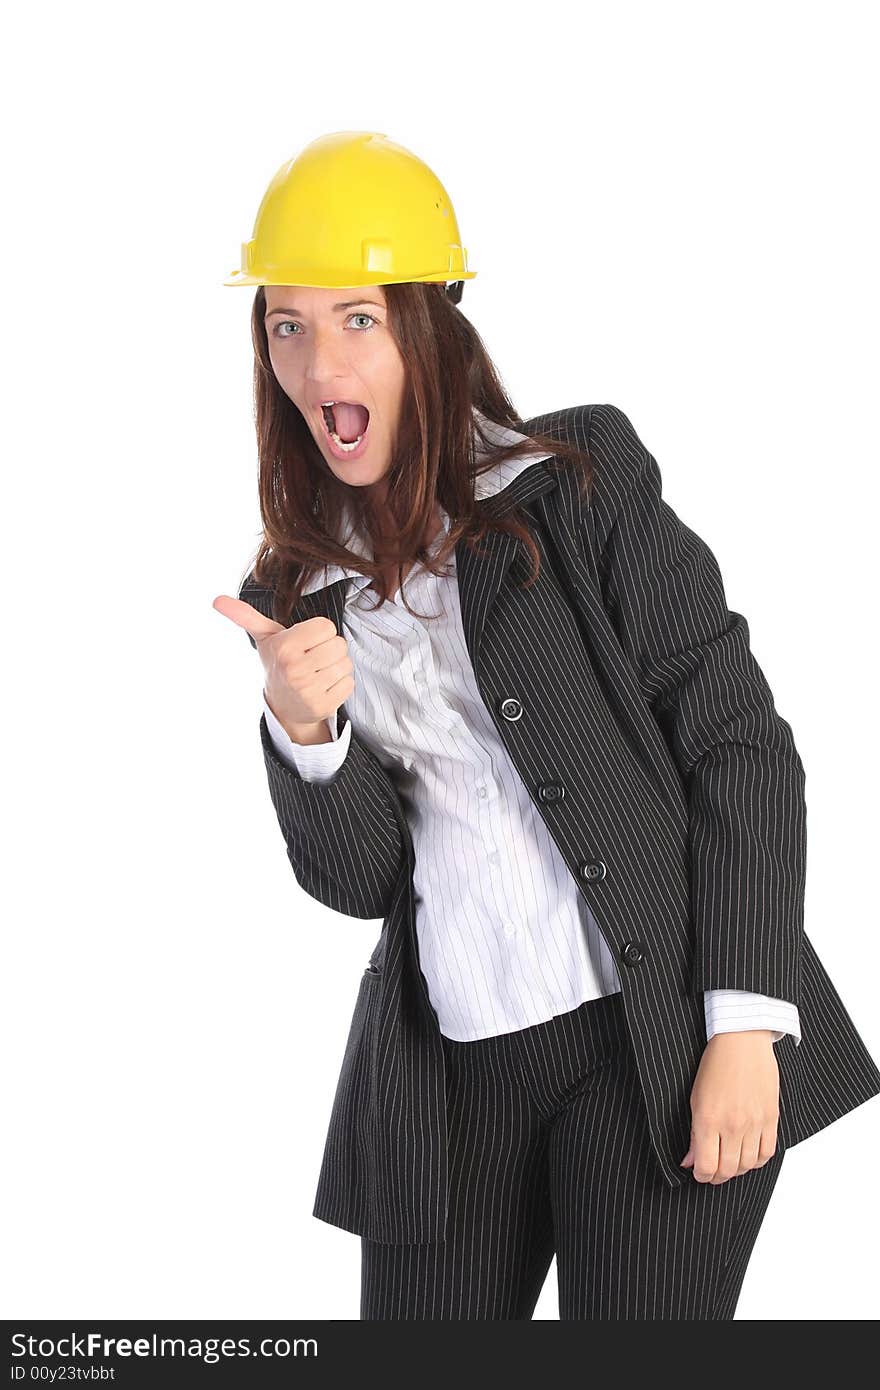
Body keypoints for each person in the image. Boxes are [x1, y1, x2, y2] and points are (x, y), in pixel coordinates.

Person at [213, 131, 880, 1320]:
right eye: (287, 325)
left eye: (356, 318)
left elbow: (739, 742)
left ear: (427, 326)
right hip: (448, 1080)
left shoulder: (576, 482)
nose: (319, 361)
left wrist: (741, 1026)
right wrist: (306, 735)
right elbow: (362, 881)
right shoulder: (291, 597)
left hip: (654, 1044)